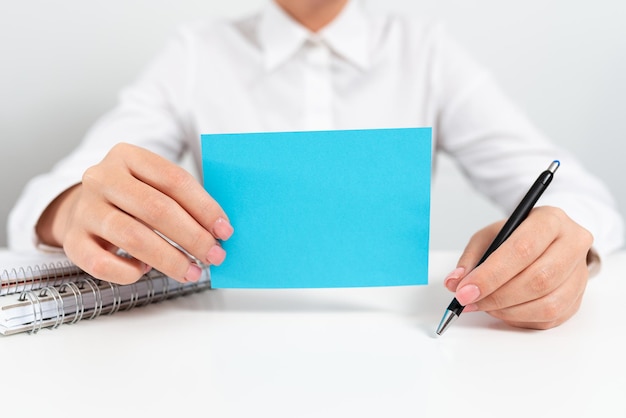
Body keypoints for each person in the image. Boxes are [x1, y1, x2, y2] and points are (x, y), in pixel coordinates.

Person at [8, 0, 624, 330]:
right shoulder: (196, 53)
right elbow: (63, 188)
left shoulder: (427, 52)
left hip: (396, 342)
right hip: (222, 348)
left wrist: (562, 242)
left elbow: (581, 195)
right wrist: (73, 209)